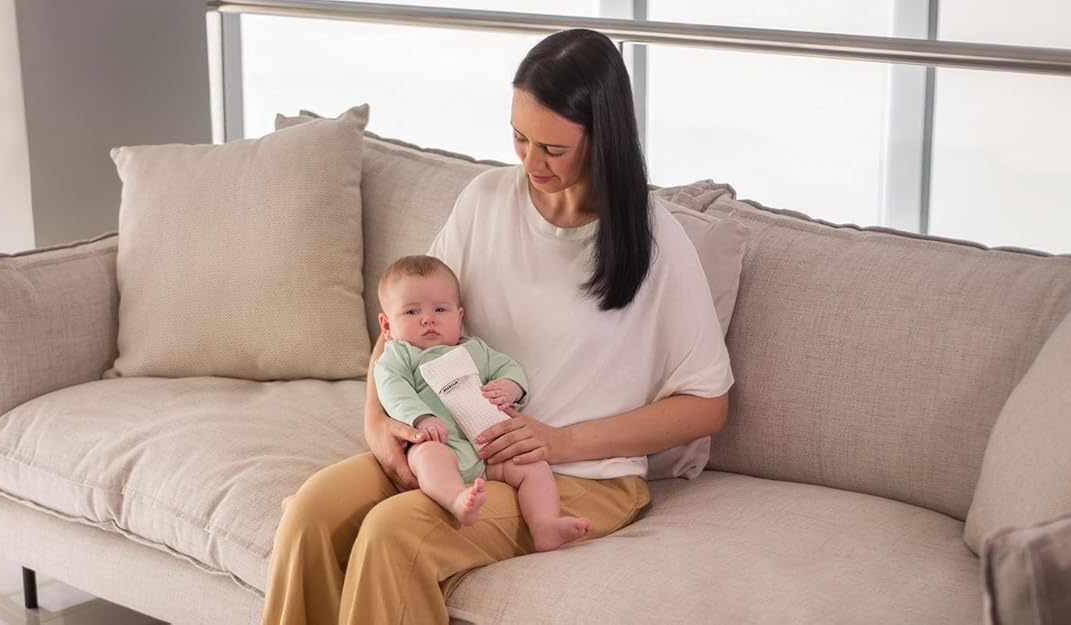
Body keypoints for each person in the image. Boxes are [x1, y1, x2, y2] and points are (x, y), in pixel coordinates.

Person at [262, 28, 732, 625]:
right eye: (519, 137)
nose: (529, 161)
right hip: (458, 450)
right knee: (311, 512)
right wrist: (381, 429)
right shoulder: (485, 201)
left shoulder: (655, 240)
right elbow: (403, 331)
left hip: (580, 479)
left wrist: (560, 441)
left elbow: (706, 404)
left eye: (553, 149)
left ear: (603, 139)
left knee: (393, 535)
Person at [371, 254, 591, 552]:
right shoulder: (399, 356)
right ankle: (456, 499)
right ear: (387, 326)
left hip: (490, 448)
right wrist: (421, 419)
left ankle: (545, 524)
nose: (428, 318)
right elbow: (392, 389)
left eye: (440, 309)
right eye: (411, 312)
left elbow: (510, 368)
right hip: (439, 442)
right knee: (430, 460)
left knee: (534, 466)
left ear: (460, 317)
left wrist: (510, 387)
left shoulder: (476, 350)